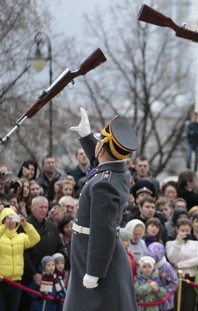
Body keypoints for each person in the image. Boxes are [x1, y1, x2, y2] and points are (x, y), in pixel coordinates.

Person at [64, 108, 138, 310]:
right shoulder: (118, 173)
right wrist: (86, 136)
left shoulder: (103, 185)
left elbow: (102, 228)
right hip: (93, 249)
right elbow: (103, 162)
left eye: (98, 143)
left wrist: (94, 270)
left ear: (102, 150)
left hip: (95, 253)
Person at [0, 208, 40, 311]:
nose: (11, 221)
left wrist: (26, 225)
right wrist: (4, 227)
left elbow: (35, 239)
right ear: (2, 220)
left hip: (16, 281)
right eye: (7, 219)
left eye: (13, 218)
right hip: (1, 281)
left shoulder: (21, 237)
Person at [166, 218, 198, 311]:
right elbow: (172, 258)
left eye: (187, 230)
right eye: (182, 230)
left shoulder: (196, 243)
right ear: (177, 230)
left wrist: (180, 264)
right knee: (176, 307)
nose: (185, 232)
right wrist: (178, 243)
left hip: (191, 279)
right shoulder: (170, 243)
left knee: (189, 306)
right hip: (176, 280)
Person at [144, 242, 178, 311]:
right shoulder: (150, 265)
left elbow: (175, 282)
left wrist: (163, 292)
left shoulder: (166, 267)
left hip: (165, 302)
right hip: (153, 302)